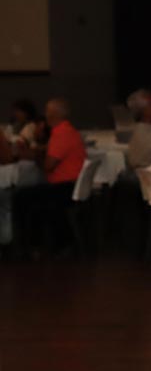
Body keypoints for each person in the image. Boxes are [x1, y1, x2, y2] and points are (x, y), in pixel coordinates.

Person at [11, 99, 87, 256]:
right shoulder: (68, 131)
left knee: (21, 196)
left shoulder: (61, 134)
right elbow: (51, 152)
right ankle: (37, 244)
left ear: (53, 115)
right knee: (30, 194)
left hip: (65, 187)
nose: (45, 115)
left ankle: (28, 246)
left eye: (47, 111)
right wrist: (38, 151)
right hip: (72, 185)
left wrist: (34, 156)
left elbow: (48, 166)